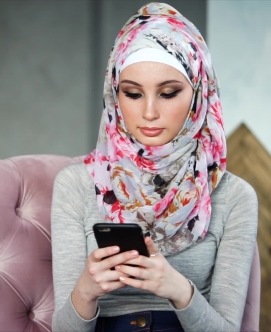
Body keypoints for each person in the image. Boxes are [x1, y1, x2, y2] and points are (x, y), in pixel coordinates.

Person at [50, 2, 258, 332]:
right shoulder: (75, 185)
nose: (148, 112)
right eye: (132, 94)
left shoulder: (234, 197)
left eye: (168, 93)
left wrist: (178, 290)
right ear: (114, 97)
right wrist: (86, 292)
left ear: (198, 95)